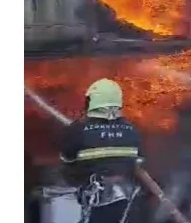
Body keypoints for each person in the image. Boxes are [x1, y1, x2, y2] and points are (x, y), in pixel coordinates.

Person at [59, 78, 147, 223]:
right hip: (129, 207)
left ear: (91, 101)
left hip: (96, 206)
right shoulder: (133, 130)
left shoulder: (77, 130)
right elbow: (139, 162)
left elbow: (66, 160)